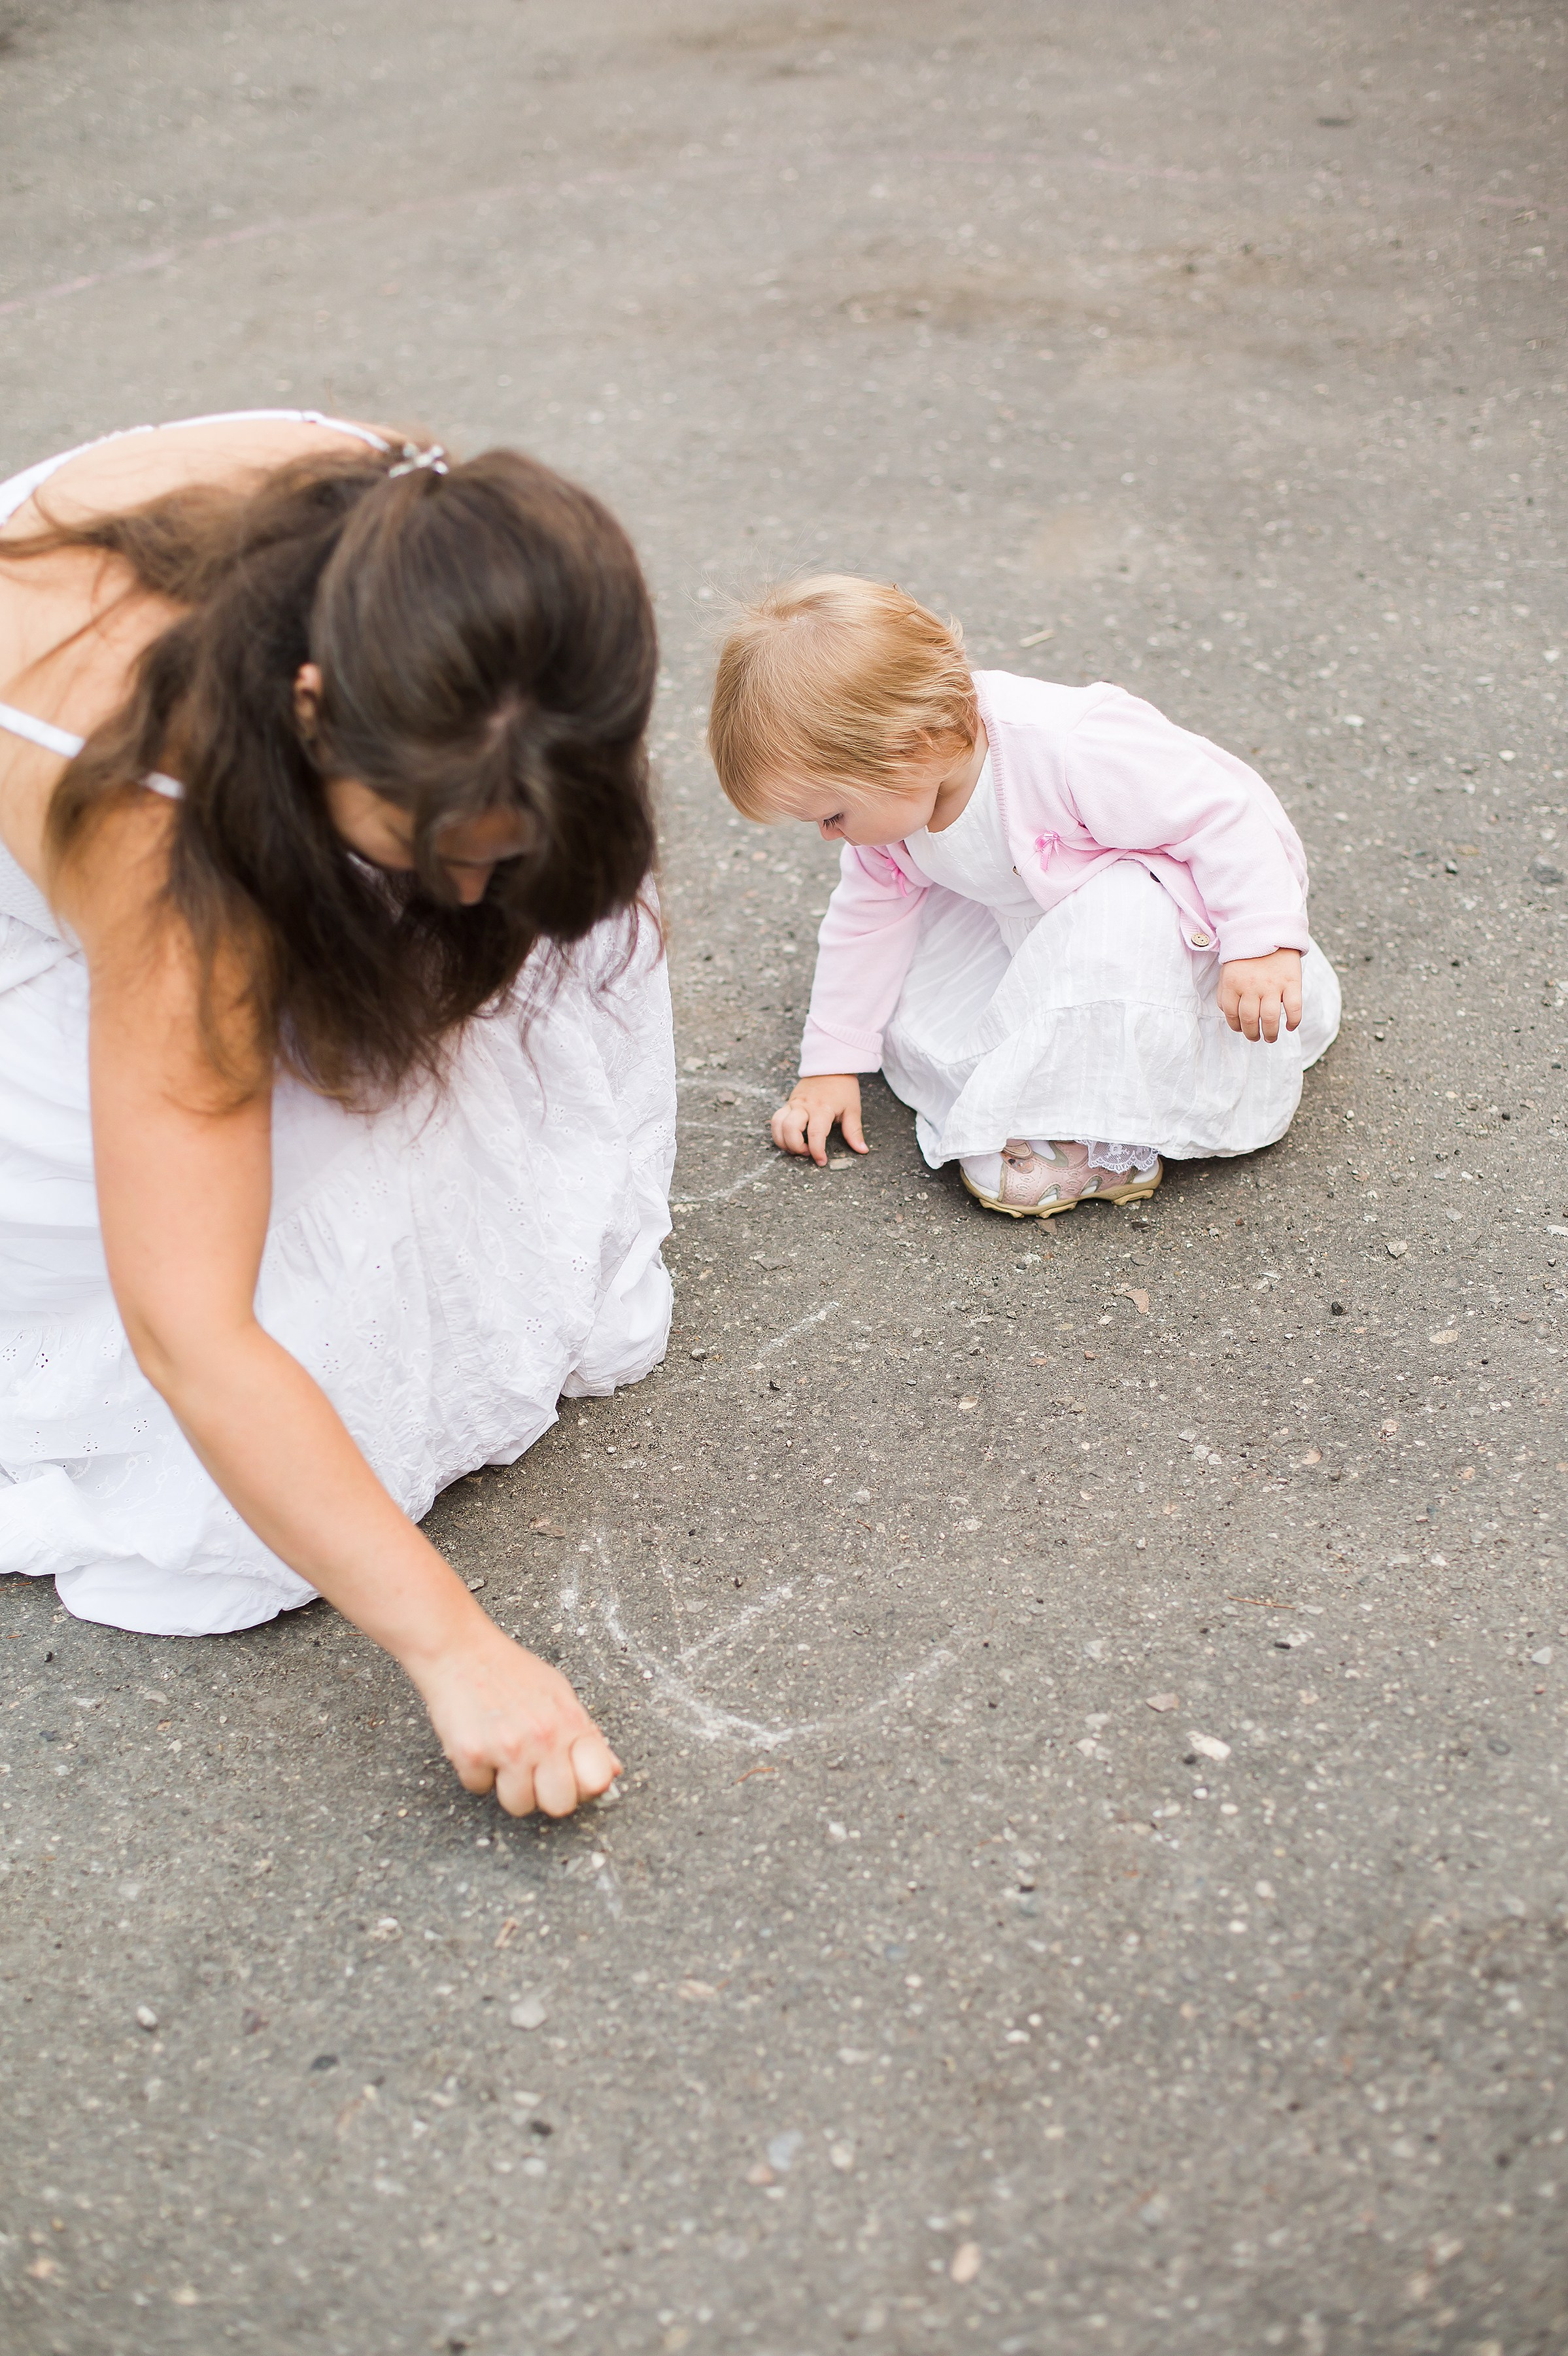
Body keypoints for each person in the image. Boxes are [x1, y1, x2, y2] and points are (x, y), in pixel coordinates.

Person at [0, 407, 677, 1818]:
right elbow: (188, 1325)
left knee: (541, 930)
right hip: (67, 854)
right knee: (303, 1146)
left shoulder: (433, 555)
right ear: (311, 709)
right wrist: (454, 1645)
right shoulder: (157, 834)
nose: (474, 894)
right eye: (430, 849)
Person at [709, 575, 1339, 1206]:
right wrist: (829, 1063)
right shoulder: (898, 807)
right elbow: (865, 923)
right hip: (1046, 917)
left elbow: (1222, 818)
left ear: (911, 749)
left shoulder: (1069, 748)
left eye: (832, 815)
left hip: (1166, 929)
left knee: (1118, 908)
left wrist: (1260, 943)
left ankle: (1100, 1142)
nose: (828, 836)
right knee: (913, 978)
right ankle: (1052, 1071)